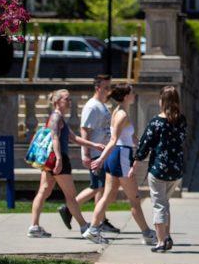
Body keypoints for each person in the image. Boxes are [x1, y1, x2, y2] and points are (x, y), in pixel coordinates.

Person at [83, 84, 157, 246]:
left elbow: (130, 137)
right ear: (125, 96)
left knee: (108, 195)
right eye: (132, 92)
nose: (134, 94)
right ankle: (147, 234)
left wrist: (146, 148)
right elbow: (114, 139)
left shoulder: (119, 111)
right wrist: (101, 159)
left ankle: (93, 230)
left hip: (118, 155)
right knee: (135, 199)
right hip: (120, 156)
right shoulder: (121, 114)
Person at [28, 89, 105, 240]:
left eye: (69, 99)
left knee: (44, 191)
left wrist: (93, 145)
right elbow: (55, 138)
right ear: (57, 102)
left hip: (51, 160)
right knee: (70, 195)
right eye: (66, 99)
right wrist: (59, 159)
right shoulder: (56, 117)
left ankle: (34, 226)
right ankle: (84, 226)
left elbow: (74, 138)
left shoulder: (59, 117)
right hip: (59, 158)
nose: (70, 102)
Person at [58, 74, 119, 235]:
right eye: (106, 87)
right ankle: (69, 208)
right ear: (97, 88)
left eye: (110, 87)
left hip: (102, 152)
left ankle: (99, 220)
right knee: (97, 186)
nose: (109, 91)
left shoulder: (101, 105)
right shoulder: (92, 106)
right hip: (94, 154)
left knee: (101, 188)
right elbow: (84, 130)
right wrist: (85, 154)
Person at [133, 85, 188, 253]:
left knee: (158, 205)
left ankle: (160, 240)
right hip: (176, 171)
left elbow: (144, 146)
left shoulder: (156, 122)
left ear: (162, 101)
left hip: (158, 170)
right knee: (165, 203)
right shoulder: (182, 120)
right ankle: (168, 235)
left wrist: (136, 159)